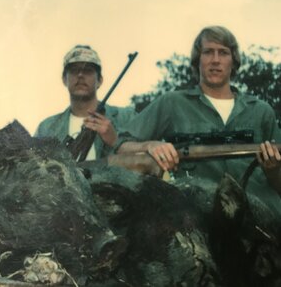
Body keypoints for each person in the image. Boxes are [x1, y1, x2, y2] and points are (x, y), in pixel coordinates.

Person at [115, 25, 281, 214]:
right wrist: (150, 146)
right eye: (208, 52)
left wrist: (273, 170)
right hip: (197, 218)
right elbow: (120, 145)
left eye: (223, 53)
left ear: (233, 62)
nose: (216, 60)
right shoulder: (172, 103)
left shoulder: (261, 111)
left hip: (262, 218)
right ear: (197, 60)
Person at [35, 45, 136, 160]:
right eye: (74, 70)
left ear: (99, 81)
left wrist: (116, 140)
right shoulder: (47, 128)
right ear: (64, 80)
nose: (80, 75)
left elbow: (148, 155)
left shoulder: (126, 117)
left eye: (88, 70)